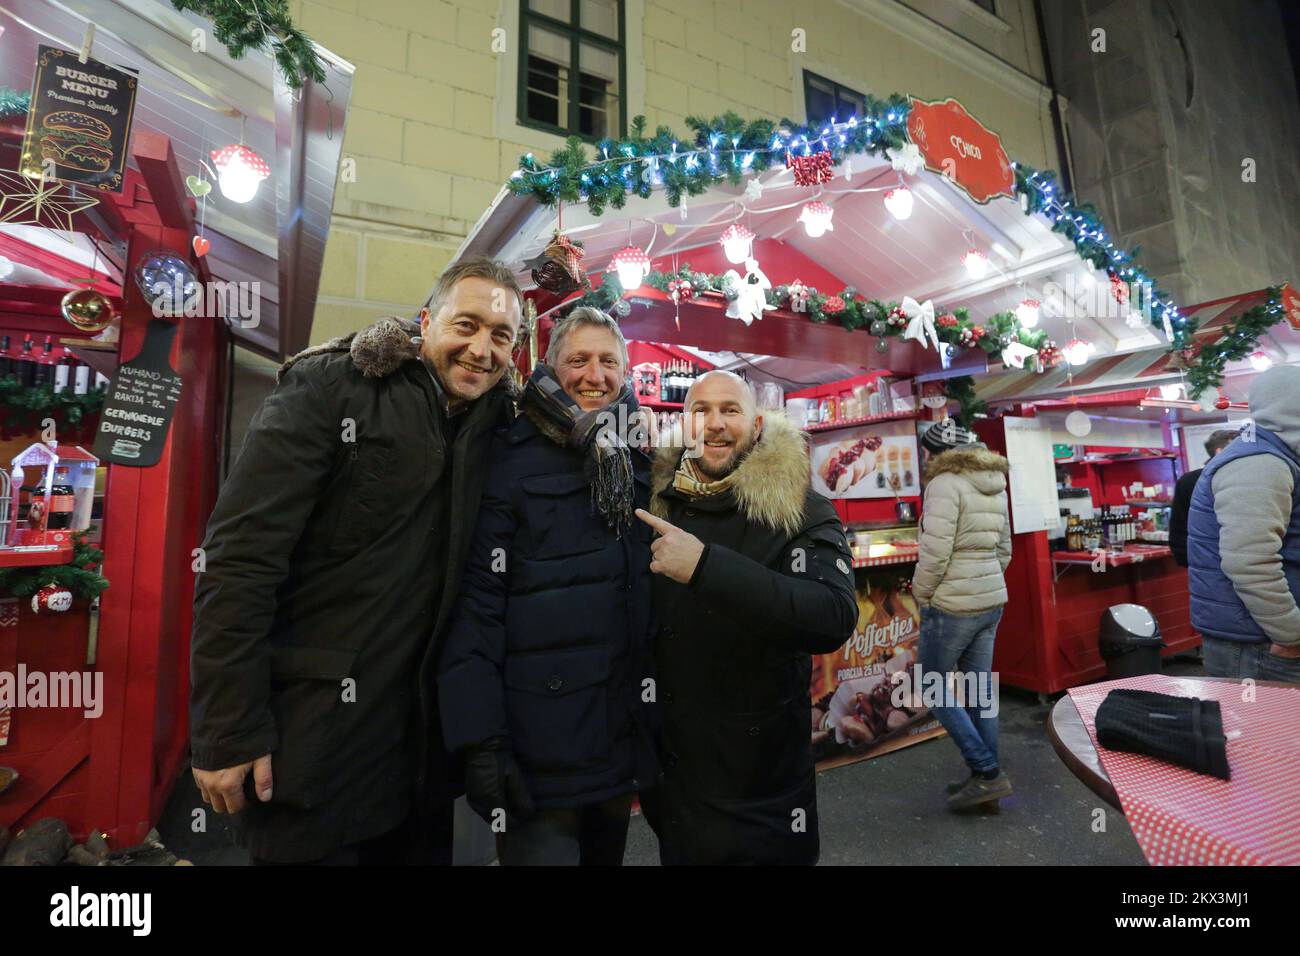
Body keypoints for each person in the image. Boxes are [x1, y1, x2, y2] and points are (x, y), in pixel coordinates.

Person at [189, 257, 523, 865]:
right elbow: (239, 561)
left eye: (501, 336)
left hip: (419, 758)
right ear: (426, 322)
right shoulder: (332, 386)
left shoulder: (498, 422)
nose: (481, 350)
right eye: (466, 325)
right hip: (314, 742)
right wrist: (226, 729)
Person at [437, 307, 657, 866]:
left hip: (617, 742)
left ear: (625, 372)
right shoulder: (509, 454)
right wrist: (481, 742)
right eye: (578, 360)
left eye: (609, 362)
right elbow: (477, 606)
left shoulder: (641, 461)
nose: (594, 375)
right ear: (551, 367)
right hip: (539, 754)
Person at [637, 370, 856, 866]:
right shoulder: (656, 497)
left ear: (756, 425)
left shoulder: (798, 507)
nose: (714, 424)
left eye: (730, 410)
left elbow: (833, 615)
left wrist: (706, 567)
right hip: (675, 777)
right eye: (701, 411)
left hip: (763, 784)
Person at [911, 418, 1013, 811]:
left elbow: (934, 554)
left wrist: (923, 594)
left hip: (951, 604)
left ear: (936, 454)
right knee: (980, 691)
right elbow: (1004, 547)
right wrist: (985, 579)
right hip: (990, 601)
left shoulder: (943, 484)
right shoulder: (995, 482)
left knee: (932, 683)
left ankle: (987, 771)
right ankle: (984, 785)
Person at [1187, 366, 1300, 681]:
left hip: (1260, 640)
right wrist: (1291, 634)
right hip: (1261, 647)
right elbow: (1250, 561)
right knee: (1270, 731)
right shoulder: (1260, 463)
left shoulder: (1274, 455)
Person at [1169, 429, 1239, 566]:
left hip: (1216, 563)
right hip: (1213, 565)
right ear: (1219, 452)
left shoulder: (1188, 481)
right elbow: (1179, 529)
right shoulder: (1190, 482)